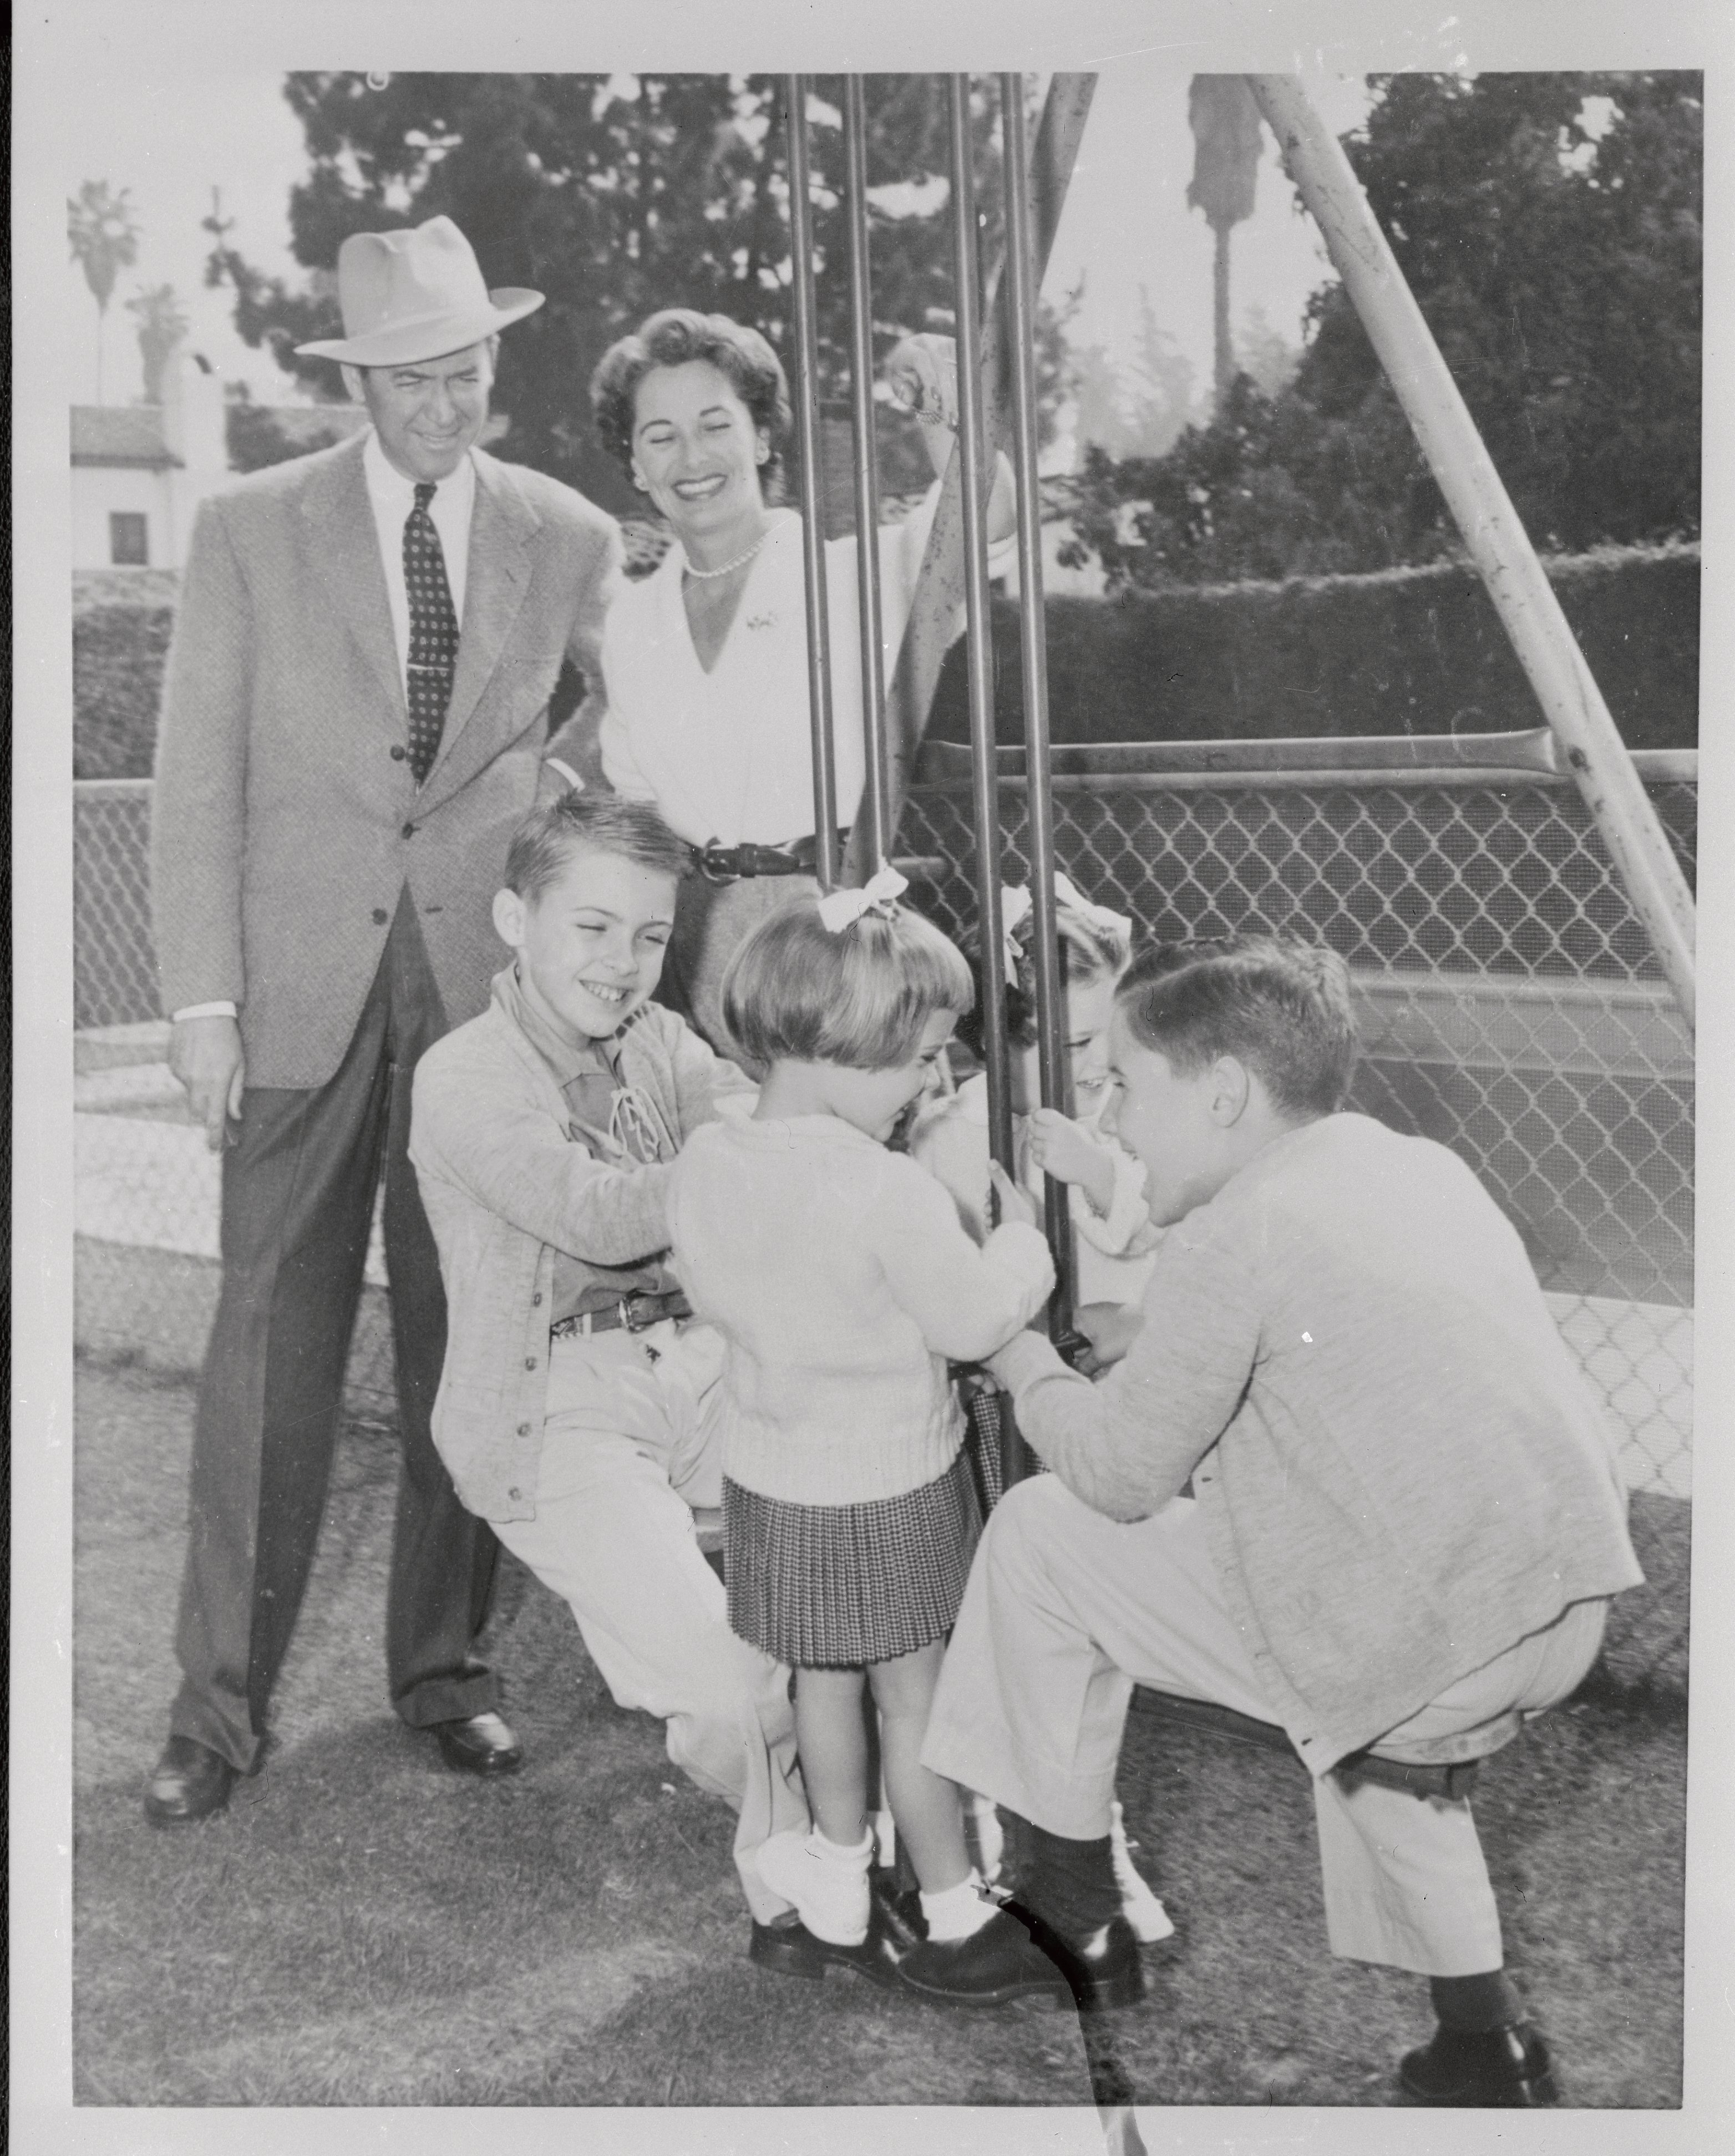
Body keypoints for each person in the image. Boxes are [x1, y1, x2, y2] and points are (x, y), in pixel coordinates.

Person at [912, 936, 1645, 2094]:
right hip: (1554, 1603)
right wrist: (1147, 1338)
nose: (1113, 1123)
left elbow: (1114, 1476)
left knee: (1045, 1536)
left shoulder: (1225, 1234)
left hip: (1430, 1637)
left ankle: (1071, 1917)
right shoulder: (1412, 1167)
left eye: (1122, 1087)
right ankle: (1479, 2047)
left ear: (1224, 1094)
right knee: (1377, 1720)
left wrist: (1014, 1355)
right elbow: (1327, 1321)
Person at [144, 216, 623, 1824]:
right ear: (362, 380)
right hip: (290, 996)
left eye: (467, 370)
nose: (444, 404)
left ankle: (443, 1672)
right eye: (413, 377)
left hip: (481, 999)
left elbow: (624, 719)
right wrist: (203, 999)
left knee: (467, 1335)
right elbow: (196, 775)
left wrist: (543, 807)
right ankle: (214, 1710)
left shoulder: (564, 532)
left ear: (498, 361)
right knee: (265, 1346)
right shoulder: (248, 530)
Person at [407, 792, 811, 1951]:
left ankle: (872, 1837)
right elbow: (592, 1215)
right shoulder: (465, 1073)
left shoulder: (658, 1038)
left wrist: (759, 1136)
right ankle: (802, 1870)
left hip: (692, 1360)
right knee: (732, 1688)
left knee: (870, 1565)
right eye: (590, 928)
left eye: (647, 935)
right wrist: (747, 1149)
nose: (624, 963)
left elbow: (743, 1116)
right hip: (557, 1408)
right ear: (510, 920)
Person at [664, 882, 1070, 2000]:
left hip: (769, 1484)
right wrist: (1025, 1249)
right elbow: (973, 1323)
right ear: (849, 1045)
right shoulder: (885, 1188)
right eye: (922, 1059)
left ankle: (839, 1889)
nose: (932, 1085)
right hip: (890, 1484)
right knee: (914, 1695)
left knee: (819, 1684)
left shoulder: (706, 1165)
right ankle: (949, 1911)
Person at [588, 308, 1015, 1060]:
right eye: (661, 437)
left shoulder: (851, 577)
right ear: (635, 465)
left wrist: (936, 395)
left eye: (716, 424)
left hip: (832, 927)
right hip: (695, 947)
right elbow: (639, 819)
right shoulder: (632, 622)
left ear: (761, 436)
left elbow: (985, 515)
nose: (693, 457)